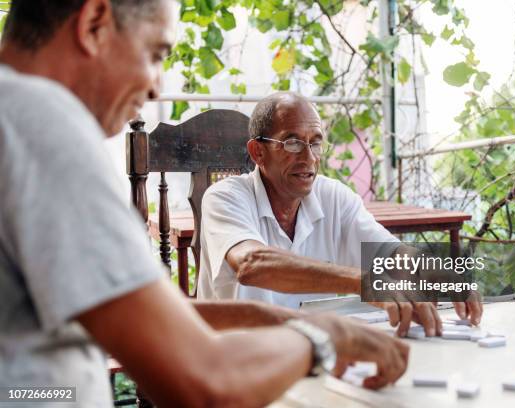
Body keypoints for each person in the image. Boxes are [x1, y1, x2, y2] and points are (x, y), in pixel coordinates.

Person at [0, 1, 410, 406]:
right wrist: (326, 336)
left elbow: (156, 317)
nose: (157, 87)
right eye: (156, 53)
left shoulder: (15, 116)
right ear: (93, 22)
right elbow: (205, 382)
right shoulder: (42, 127)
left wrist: (449, 278)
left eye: (315, 142)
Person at [197, 91, 483, 337]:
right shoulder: (225, 197)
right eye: (292, 143)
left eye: (316, 142)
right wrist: (366, 282)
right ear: (258, 152)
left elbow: (391, 253)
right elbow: (251, 264)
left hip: (311, 356)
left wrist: (441, 274)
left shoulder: (333, 196)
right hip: (237, 367)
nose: (309, 157)